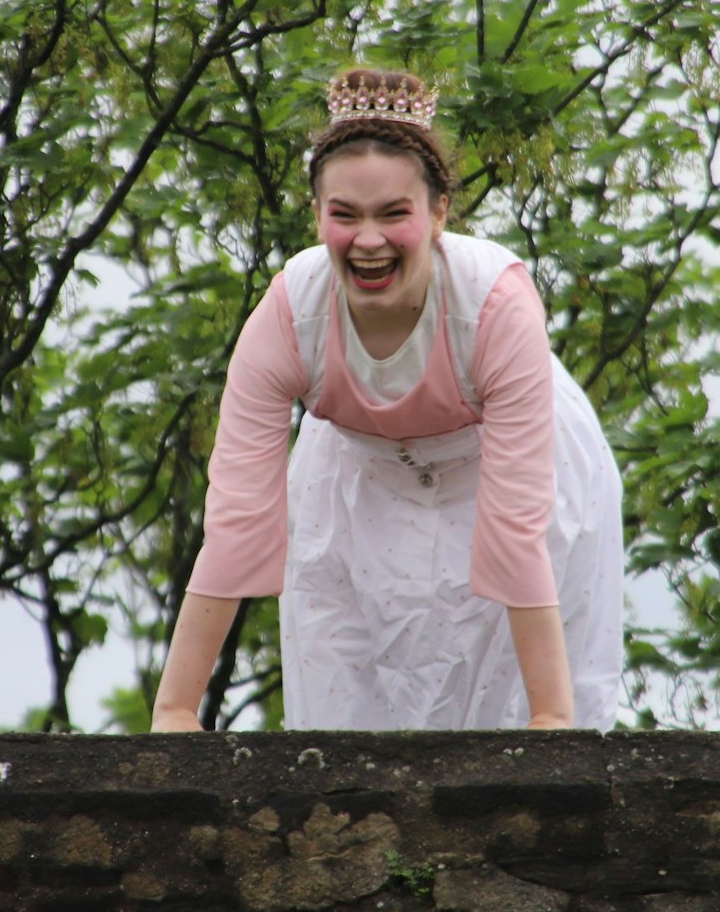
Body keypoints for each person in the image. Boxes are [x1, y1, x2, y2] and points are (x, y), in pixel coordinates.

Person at [151, 68, 623, 731]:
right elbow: (236, 516)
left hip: (506, 470)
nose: (367, 241)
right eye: (344, 215)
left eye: (393, 213)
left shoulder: (496, 306)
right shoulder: (289, 316)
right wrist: (174, 710)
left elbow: (517, 525)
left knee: (498, 697)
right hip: (356, 478)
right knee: (348, 687)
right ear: (316, 215)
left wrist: (549, 719)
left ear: (438, 212)